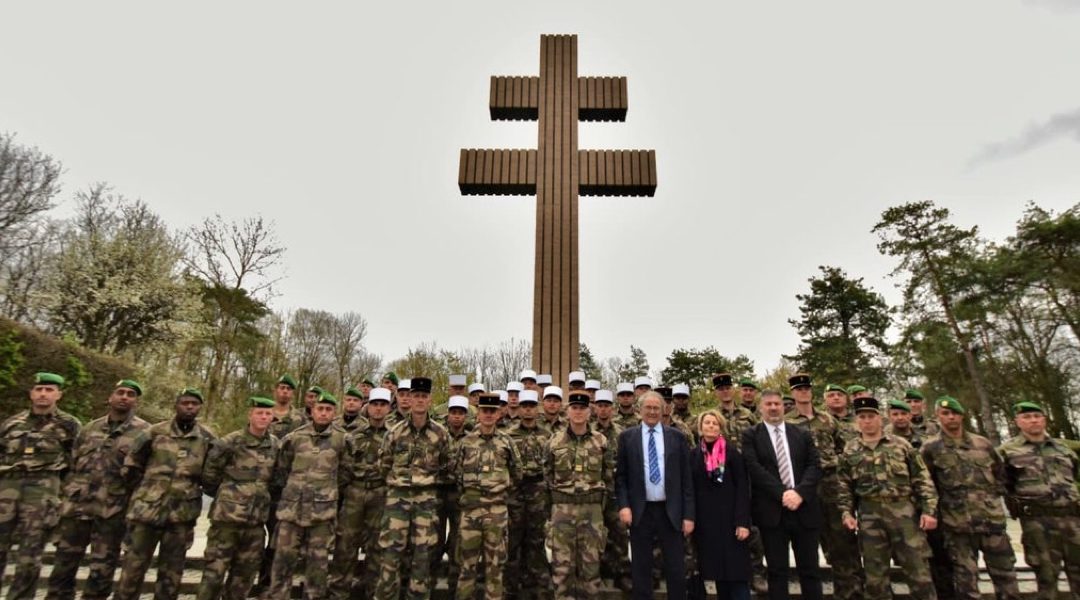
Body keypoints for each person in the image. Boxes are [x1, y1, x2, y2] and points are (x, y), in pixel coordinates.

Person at [47, 379, 149, 600]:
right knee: (62, 568)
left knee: (101, 573)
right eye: (120, 392)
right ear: (110, 397)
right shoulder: (89, 428)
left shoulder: (145, 433)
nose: (124, 397)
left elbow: (145, 477)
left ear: (136, 402)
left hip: (112, 513)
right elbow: (72, 464)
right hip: (76, 511)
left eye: (130, 394)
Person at [114, 387, 215, 600]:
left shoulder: (207, 438)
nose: (189, 407)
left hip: (181, 516)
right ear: (176, 405)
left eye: (194, 404)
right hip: (146, 513)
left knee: (172, 574)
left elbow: (211, 474)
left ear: (199, 408)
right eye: (185, 403)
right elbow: (132, 466)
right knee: (132, 569)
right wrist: (146, 492)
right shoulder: (154, 433)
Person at [837, 396, 939, 599]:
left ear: (880, 418)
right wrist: (846, 513)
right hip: (869, 516)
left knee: (918, 572)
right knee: (875, 579)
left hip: (904, 514)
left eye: (871, 416)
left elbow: (922, 479)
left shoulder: (901, 445)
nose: (867, 421)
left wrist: (929, 510)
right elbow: (844, 486)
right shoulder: (850, 450)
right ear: (857, 421)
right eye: (862, 417)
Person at [921, 396, 1020, 600]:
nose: (951, 418)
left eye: (954, 413)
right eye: (945, 414)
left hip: (992, 524)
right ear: (938, 416)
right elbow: (926, 484)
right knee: (966, 581)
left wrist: (990, 499)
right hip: (957, 526)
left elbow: (1000, 475)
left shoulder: (982, 444)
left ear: (962, 416)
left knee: (1006, 577)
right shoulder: (930, 448)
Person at [0, 372, 81, 600]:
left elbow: (75, 462)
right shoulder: (12, 423)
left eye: (49, 390)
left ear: (59, 395)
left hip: (42, 491)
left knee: (30, 555)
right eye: (39, 389)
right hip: (7, 488)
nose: (43, 394)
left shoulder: (69, 425)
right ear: (31, 393)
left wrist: (65, 496)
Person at [784, 374, 861, 600]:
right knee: (806, 544)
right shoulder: (787, 422)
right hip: (804, 487)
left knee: (842, 544)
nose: (803, 392)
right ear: (793, 393)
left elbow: (844, 448)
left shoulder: (827, 419)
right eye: (798, 389)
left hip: (831, 484)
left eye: (806, 388)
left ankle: (849, 594)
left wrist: (835, 464)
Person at [374, 376, 451, 600]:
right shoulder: (395, 432)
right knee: (390, 556)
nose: (418, 400)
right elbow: (384, 465)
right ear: (407, 398)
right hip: (397, 501)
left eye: (423, 396)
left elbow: (448, 466)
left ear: (429, 400)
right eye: (415, 396)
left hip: (426, 502)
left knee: (423, 558)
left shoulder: (440, 434)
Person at [742, 390, 824, 600]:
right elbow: (754, 468)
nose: (773, 408)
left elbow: (814, 466)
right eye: (768, 404)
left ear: (783, 406)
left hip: (804, 509)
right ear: (761, 408)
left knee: (810, 571)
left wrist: (799, 493)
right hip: (772, 513)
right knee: (777, 572)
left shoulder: (802, 433)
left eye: (777, 403)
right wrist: (783, 494)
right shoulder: (751, 435)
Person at [196, 396, 280, 600]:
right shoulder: (230, 442)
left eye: (268, 413)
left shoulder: (275, 445)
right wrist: (229, 496)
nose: (263, 417)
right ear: (250, 414)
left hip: (255, 523)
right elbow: (209, 475)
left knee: (243, 578)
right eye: (259, 412)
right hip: (227, 522)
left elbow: (276, 478)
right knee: (214, 575)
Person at [266, 392, 347, 600]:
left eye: (328, 409)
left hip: (322, 512)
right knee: (283, 560)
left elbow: (346, 472)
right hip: (291, 510)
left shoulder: (342, 439)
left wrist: (328, 492)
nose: (323, 413)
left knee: (317, 565)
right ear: (312, 411)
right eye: (320, 408)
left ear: (334, 413)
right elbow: (282, 469)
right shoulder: (295, 438)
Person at [615, 390, 694, 600]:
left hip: (671, 511)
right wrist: (624, 506)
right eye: (647, 408)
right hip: (641, 511)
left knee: (676, 568)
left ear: (664, 410)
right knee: (641, 568)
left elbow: (686, 479)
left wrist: (688, 516)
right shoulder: (626, 437)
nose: (651, 412)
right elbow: (621, 478)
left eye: (656, 408)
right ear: (639, 410)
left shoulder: (677, 438)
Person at [999, 401, 1080, 597]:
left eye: (1037, 416)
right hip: (1037, 524)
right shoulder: (1007, 452)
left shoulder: (1064, 449)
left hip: (1073, 521)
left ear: (1044, 419)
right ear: (1017, 421)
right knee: (1046, 578)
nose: (1033, 420)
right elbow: (1003, 484)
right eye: (1026, 417)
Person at [451, 393, 522, 599]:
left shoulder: (506, 442)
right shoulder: (466, 442)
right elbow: (456, 474)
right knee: (466, 566)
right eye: (484, 411)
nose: (488, 415)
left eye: (492, 411)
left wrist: (499, 492)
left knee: (495, 566)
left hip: (497, 512)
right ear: (478, 414)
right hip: (471, 511)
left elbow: (517, 473)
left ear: (499, 414)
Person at [547, 390, 615, 599]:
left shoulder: (601, 442)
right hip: (562, 512)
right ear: (567, 411)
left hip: (592, 512)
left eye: (582, 408)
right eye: (574, 408)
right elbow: (547, 475)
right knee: (561, 569)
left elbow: (609, 474)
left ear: (589, 411)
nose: (578, 412)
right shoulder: (554, 442)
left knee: (591, 568)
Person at [329, 386, 393, 599]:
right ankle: (339, 592)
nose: (377, 409)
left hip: (380, 493)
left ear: (388, 408)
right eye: (374, 405)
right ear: (368, 407)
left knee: (377, 546)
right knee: (345, 545)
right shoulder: (353, 436)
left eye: (382, 405)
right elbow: (343, 468)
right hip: (354, 493)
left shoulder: (394, 436)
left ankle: (373, 591)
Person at [692, 410, 751, 600]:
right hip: (707, 525)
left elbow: (743, 487)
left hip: (731, 522)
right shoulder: (693, 455)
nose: (710, 426)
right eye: (707, 423)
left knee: (737, 575)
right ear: (700, 428)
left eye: (715, 423)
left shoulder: (732, 453)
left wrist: (742, 521)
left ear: (720, 428)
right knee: (718, 574)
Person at [505, 389, 553, 600]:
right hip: (515, 493)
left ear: (537, 409)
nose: (527, 410)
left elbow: (552, 466)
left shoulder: (547, 435)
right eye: (524, 406)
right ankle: (510, 589)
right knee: (513, 541)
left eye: (531, 407)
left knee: (536, 540)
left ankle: (539, 587)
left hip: (538, 492)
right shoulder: (508, 434)